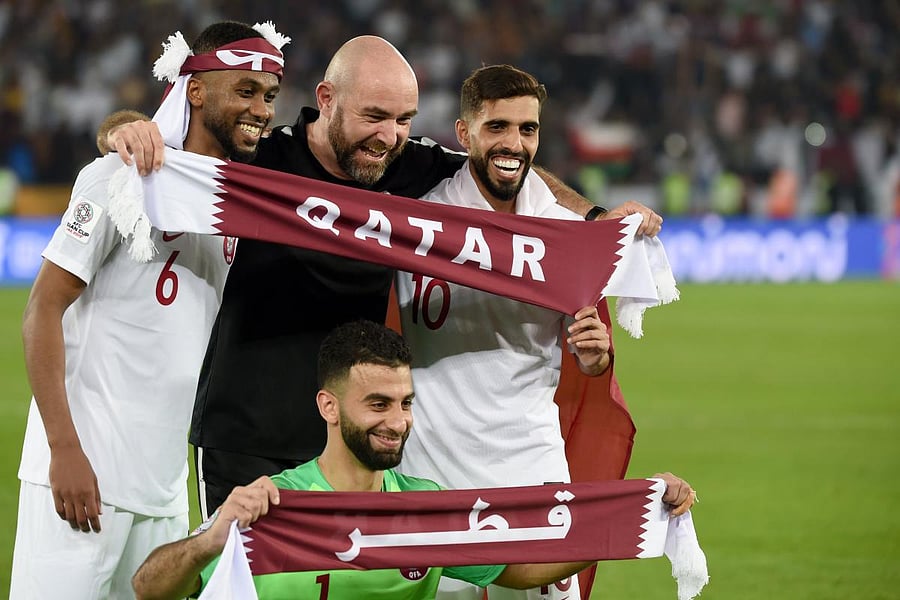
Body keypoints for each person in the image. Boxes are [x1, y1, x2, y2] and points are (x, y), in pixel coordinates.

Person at [106, 35, 664, 522]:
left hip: (350, 445)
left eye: (403, 120)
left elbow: (502, 156)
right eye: (374, 116)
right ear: (326, 99)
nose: (389, 136)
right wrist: (123, 130)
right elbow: (169, 149)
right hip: (248, 437)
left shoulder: (407, 164)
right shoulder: (259, 161)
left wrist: (593, 218)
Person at [10, 21, 286, 599]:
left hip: (163, 490)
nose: (261, 108)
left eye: (269, 94)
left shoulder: (239, 202)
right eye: (245, 90)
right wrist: (63, 450)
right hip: (83, 474)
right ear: (195, 90)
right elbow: (42, 311)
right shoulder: (119, 176)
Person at [130, 320, 696, 600]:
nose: (397, 422)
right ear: (328, 406)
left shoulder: (426, 509)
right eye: (377, 404)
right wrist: (210, 539)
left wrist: (637, 508)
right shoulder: (274, 505)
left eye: (404, 404)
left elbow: (524, 566)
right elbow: (148, 588)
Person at [394, 64, 622, 600]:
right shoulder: (413, 221)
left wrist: (595, 357)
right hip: (434, 466)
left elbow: (590, 356)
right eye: (498, 126)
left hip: (530, 463)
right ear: (464, 133)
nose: (514, 143)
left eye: (528, 129)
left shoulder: (565, 235)